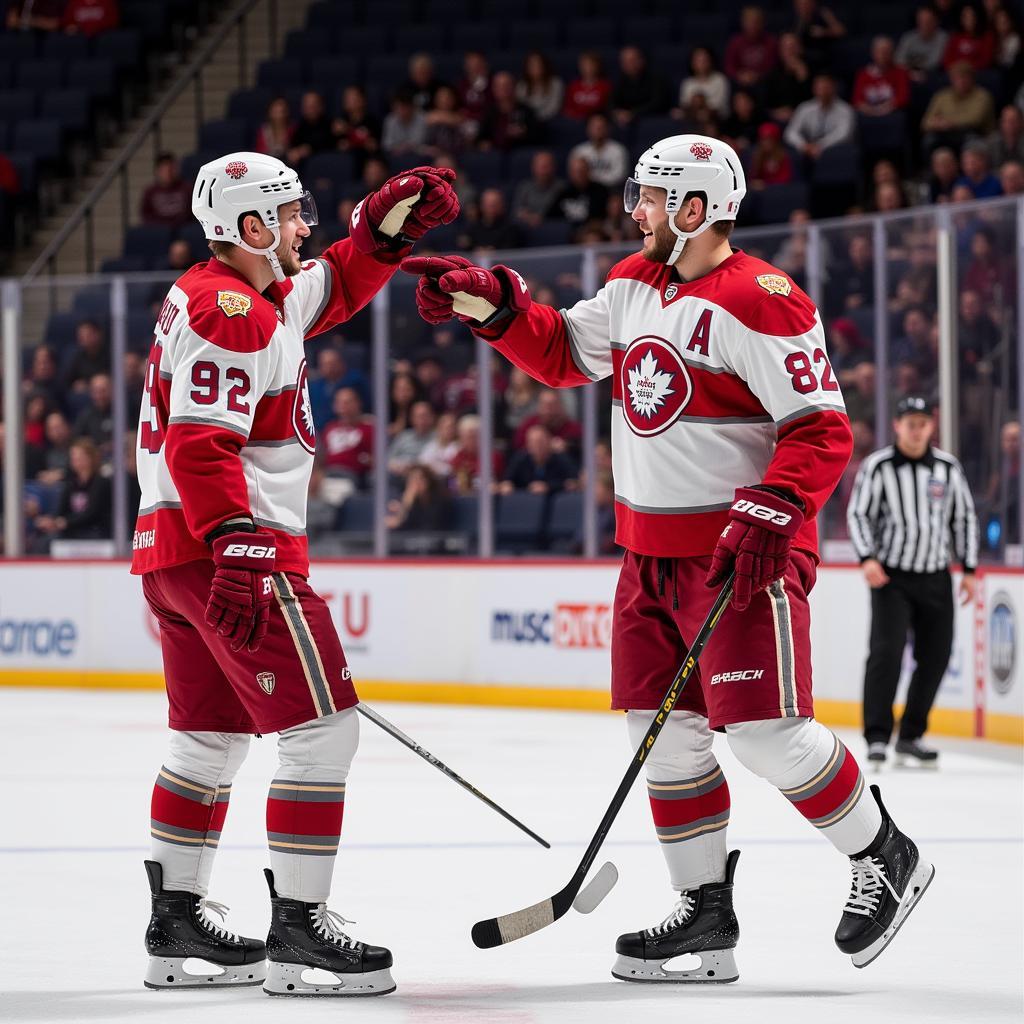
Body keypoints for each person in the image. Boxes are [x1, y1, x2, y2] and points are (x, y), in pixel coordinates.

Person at [401, 133, 933, 980]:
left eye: (649, 198)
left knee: (765, 737)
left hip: (739, 558)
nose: (635, 210)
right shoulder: (631, 284)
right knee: (665, 740)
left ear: (694, 209)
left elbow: (823, 427)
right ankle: (705, 916)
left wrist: (774, 507)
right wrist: (487, 307)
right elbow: (565, 353)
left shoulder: (764, 299)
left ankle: (886, 857)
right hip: (647, 555)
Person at [130, 150, 458, 996]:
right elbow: (201, 441)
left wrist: (381, 232)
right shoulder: (234, 310)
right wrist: (239, 543)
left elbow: (332, 287)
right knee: (322, 732)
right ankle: (299, 932)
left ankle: (175, 927)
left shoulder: (238, 294)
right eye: (289, 214)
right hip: (230, 554)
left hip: (174, 556)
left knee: (207, 737)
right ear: (250, 228)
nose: (305, 226)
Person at [846, 396, 979, 768]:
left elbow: (964, 518)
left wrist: (968, 569)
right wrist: (867, 558)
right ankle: (876, 736)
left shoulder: (948, 468)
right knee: (885, 655)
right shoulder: (878, 466)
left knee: (935, 656)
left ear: (931, 426)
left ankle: (911, 735)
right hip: (892, 577)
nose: (916, 429)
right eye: (910, 422)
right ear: (897, 426)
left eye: (923, 422)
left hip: (936, 575)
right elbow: (858, 515)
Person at [784, 73, 855, 165]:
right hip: (808, 149)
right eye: (820, 88)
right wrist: (803, 145)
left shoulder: (845, 110)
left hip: (834, 151)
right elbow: (790, 132)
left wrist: (820, 145)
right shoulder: (805, 108)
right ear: (814, 89)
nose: (823, 91)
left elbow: (844, 134)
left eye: (826, 87)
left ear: (834, 88)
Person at [570, 113, 630, 190]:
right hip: (585, 190)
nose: (598, 130)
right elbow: (575, 176)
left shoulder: (618, 150)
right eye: (594, 126)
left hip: (610, 191)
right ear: (588, 128)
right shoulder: (579, 151)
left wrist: (593, 179)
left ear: (608, 128)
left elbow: (619, 176)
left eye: (601, 127)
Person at [141, 153, 191, 228]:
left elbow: (191, 214)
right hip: (159, 231)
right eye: (164, 170)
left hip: (182, 229)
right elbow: (146, 215)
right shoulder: (150, 191)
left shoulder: (187, 188)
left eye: (171, 169)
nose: (168, 173)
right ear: (157, 171)